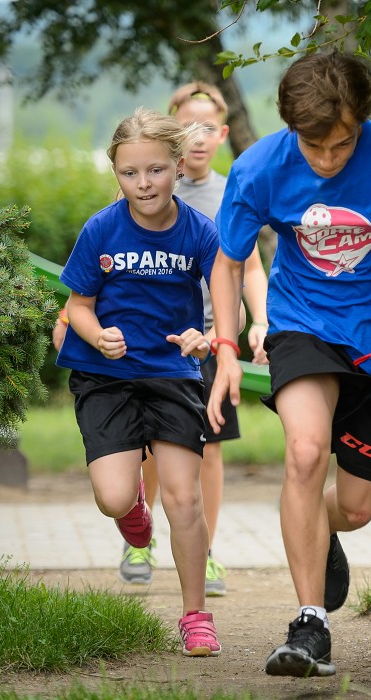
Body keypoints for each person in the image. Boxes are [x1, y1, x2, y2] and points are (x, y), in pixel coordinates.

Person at [206, 51, 371, 678]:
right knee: (306, 453)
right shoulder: (259, 168)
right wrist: (228, 348)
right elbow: (227, 264)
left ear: (361, 122)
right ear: (291, 126)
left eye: (341, 144)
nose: (325, 159)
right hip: (302, 326)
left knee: (359, 506)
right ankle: (309, 624)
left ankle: (317, 526)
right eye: (312, 145)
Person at [56, 107, 222, 657]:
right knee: (113, 496)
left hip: (173, 373)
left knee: (185, 499)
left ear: (178, 166)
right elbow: (78, 306)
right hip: (107, 376)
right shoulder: (101, 229)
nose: (143, 183)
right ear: (116, 173)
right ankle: (132, 508)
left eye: (155, 170)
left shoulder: (201, 232)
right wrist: (97, 334)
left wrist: (208, 338)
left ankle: (196, 615)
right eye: (130, 173)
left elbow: (229, 306)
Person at [116, 82, 271, 595]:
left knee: (210, 447)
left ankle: (203, 550)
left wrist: (258, 320)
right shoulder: (151, 182)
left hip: (209, 340)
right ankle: (139, 539)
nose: (198, 137)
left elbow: (250, 267)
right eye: (188, 126)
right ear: (171, 132)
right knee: (151, 449)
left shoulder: (231, 194)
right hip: (150, 340)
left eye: (208, 127)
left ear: (223, 134)